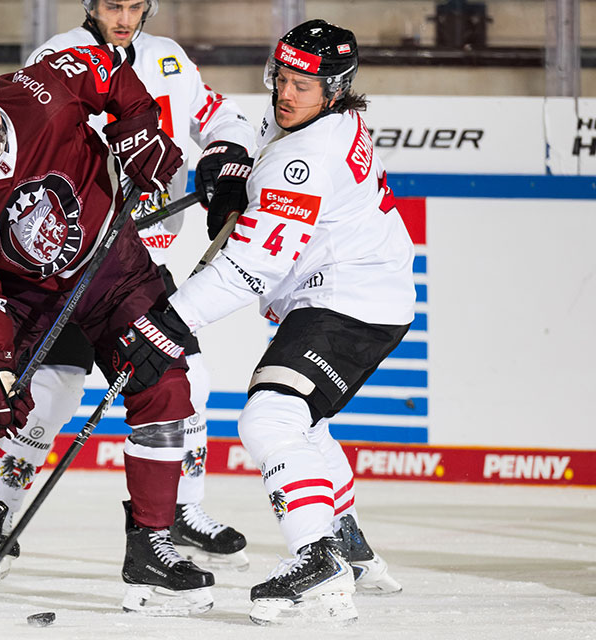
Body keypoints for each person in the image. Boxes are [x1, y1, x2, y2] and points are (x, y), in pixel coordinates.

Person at [0, 48, 216, 616]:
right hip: (18, 296)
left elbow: (110, 71)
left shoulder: (38, 93)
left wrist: (139, 130)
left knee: (165, 384)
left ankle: (151, 547)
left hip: (112, 269)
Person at [160, 19, 415, 623]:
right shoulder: (327, 119)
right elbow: (260, 136)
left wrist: (168, 320)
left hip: (353, 304)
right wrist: (229, 163)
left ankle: (318, 557)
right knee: (304, 420)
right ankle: (348, 545)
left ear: (335, 87)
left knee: (271, 415)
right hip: (359, 291)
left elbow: (248, 268)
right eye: (282, 77)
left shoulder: (306, 158)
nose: (286, 93)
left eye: (304, 83)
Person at [0, 0, 256, 571]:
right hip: (69, 264)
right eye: (113, 4)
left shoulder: (168, 60)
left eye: (136, 5)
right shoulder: (57, 57)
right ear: (89, 4)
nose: (125, 16)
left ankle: (179, 510)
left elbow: (222, 116)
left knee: (187, 382)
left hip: (136, 266)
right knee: (52, 393)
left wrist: (224, 153)